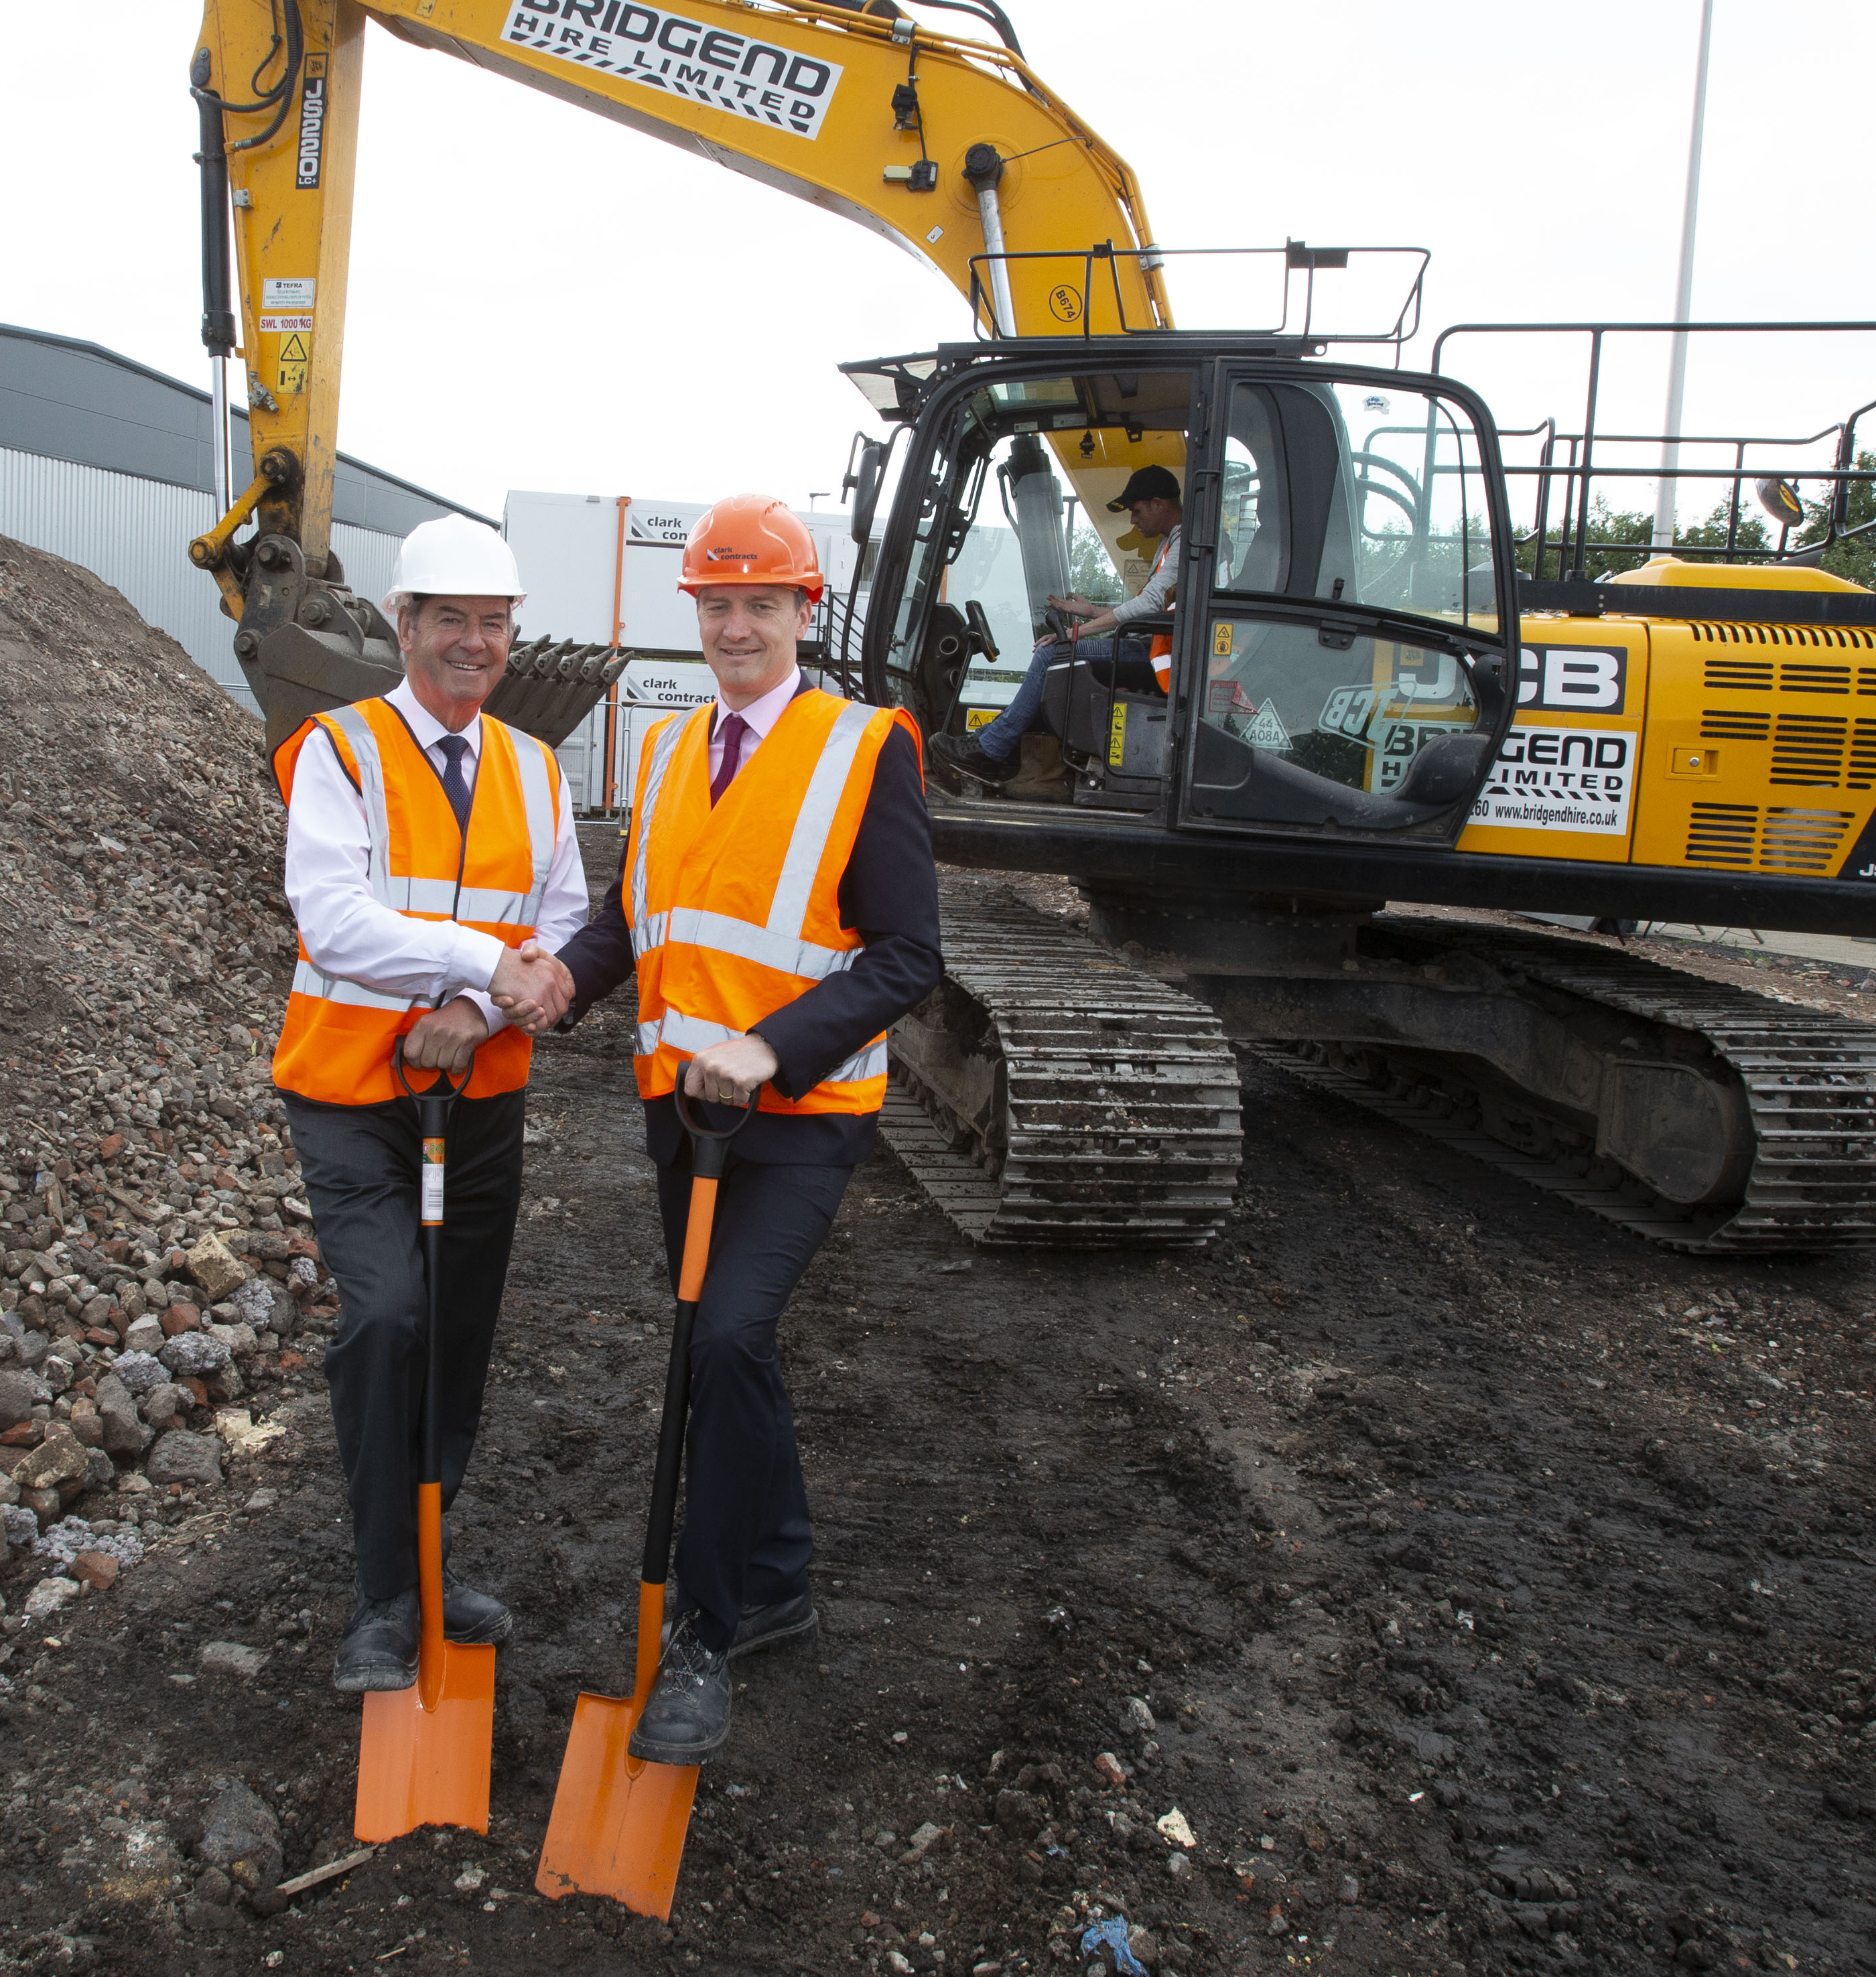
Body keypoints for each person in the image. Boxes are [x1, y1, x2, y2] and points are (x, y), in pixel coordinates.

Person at [555, 492, 941, 1765]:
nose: (732, 626)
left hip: (797, 1116)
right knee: (733, 1352)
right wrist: (561, 981)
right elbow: (635, 920)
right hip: (683, 1116)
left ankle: (709, 1628)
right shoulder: (671, 754)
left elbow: (904, 958)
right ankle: (777, 1572)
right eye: (714, 605)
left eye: (756, 604)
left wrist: (772, 1045)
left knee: (719, 1340)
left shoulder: (862, 746)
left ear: (800, 610)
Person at [269, 514, 584, 1693]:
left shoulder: (532, 767)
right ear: (400, 625)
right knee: (388, 1317)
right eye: (447, 620)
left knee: (455, 1338)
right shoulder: (337, 752)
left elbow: (557, 930)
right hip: (352, 1093)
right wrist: (470, 964)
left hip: (480, 1094)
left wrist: (486, 1012)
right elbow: (334, 920)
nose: (471, 644)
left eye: (490, 625)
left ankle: (427, 1560)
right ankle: (382, 1594)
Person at [930, 462, 1189, 797]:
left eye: (1137, 510)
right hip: (1151, 648)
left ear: (1158, 503)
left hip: (1159, 657)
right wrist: (1092, 610)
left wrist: (1082, 630)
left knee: (1054, 652)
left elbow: (1150, 605)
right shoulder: (1174, 542)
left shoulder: (1186, 543)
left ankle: (989, 752)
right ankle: (987, 742)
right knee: (1055, 653)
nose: (1133, 520)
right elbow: (1147, 609)